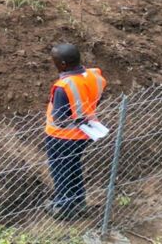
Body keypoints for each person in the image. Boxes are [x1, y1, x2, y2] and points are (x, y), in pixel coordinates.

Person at [43, 43, 106, 220]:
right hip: (84, 134)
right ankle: (79, 201)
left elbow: (59, 120)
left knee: (60, 170)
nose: (52, 63)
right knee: (73, 166)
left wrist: (75, 117)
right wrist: (83, 115)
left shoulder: (64, 86)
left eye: (54, 60)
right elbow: (97, 98)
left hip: (61, 137)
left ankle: (63, 206)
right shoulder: (95, 76)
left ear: (62, 64)